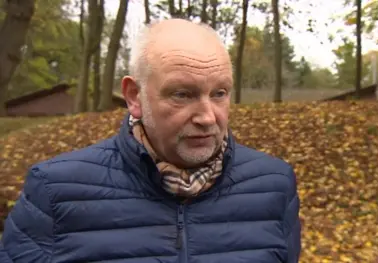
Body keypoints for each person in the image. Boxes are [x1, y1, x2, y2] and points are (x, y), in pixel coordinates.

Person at [0, 18, 301, 263]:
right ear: (134, 96)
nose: (208, 117)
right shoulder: (56, 191)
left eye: (219, 93)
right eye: (182, 94)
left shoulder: (273, 184)